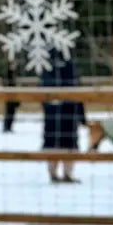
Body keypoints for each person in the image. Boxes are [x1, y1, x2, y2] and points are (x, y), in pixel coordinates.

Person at [41, 49, 86, 183]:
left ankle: (62, 174)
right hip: (60, 110)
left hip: (64, 110)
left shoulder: (51, 67)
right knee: (60, 144)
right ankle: (57, 174)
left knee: (63, 143)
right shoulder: (51, 66)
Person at [2, 57, 20, 133]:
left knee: (12, 113)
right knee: (8, 113)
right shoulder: (7, 75)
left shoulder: (13, 74)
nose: (14, 66)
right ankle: (6, 127)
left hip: (13, 97)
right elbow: (5, 85)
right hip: (9, 96)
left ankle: (9, 127)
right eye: (13, 64)